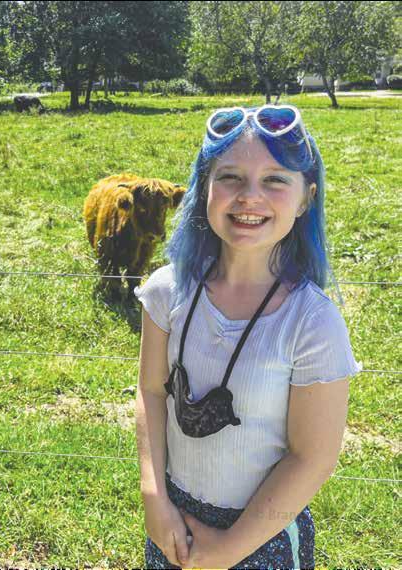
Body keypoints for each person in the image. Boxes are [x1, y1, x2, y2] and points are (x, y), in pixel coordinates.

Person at [134, 105, 362, 569]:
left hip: (261, 538)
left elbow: (311, 459)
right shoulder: (166, 291)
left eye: (275, 180)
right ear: (204, 189)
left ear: (306, 199)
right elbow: (152, 393)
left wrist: (228, 549)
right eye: (231, 177)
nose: (249, 197)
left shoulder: (312, 324)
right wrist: (155, 498)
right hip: (173, 524)